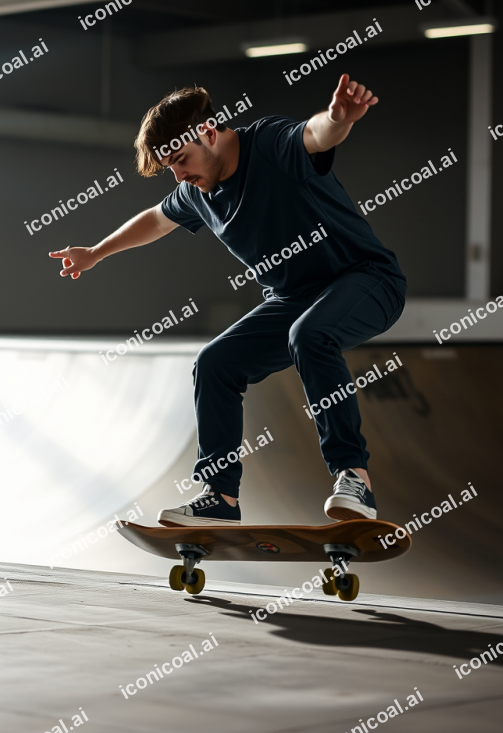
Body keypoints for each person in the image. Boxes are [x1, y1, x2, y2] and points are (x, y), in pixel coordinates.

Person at [49, 74, 406, 526]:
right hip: (294, 297)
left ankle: (354, 478)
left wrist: (338, 117)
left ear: (210, 133)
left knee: (310, 334)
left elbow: (315, 135)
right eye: (170, 169)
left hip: (367, 279)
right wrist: (97, 252)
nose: (180, 177)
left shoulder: (270, 143)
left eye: (181, 161)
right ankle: (220, 496)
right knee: (215, 363)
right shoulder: (198, 192)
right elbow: (156, 221)